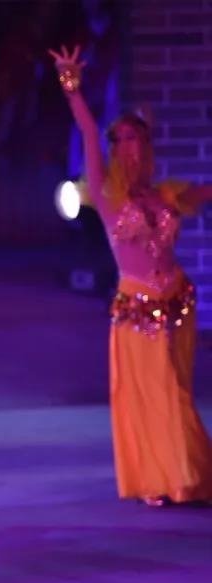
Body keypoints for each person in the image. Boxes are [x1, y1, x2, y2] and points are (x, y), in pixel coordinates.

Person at [51, 44, 212, 505]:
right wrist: (72, 86)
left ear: (146, 144)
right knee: (154, 391)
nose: (127, 146)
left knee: (177, 390)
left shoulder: (165, 195)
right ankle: (166, 478)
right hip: (138, 307)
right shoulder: (106, 194)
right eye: (119, 139)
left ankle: (187, 476)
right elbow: (87, 130)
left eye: (134, 137)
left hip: (177, 299)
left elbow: (204, 192)